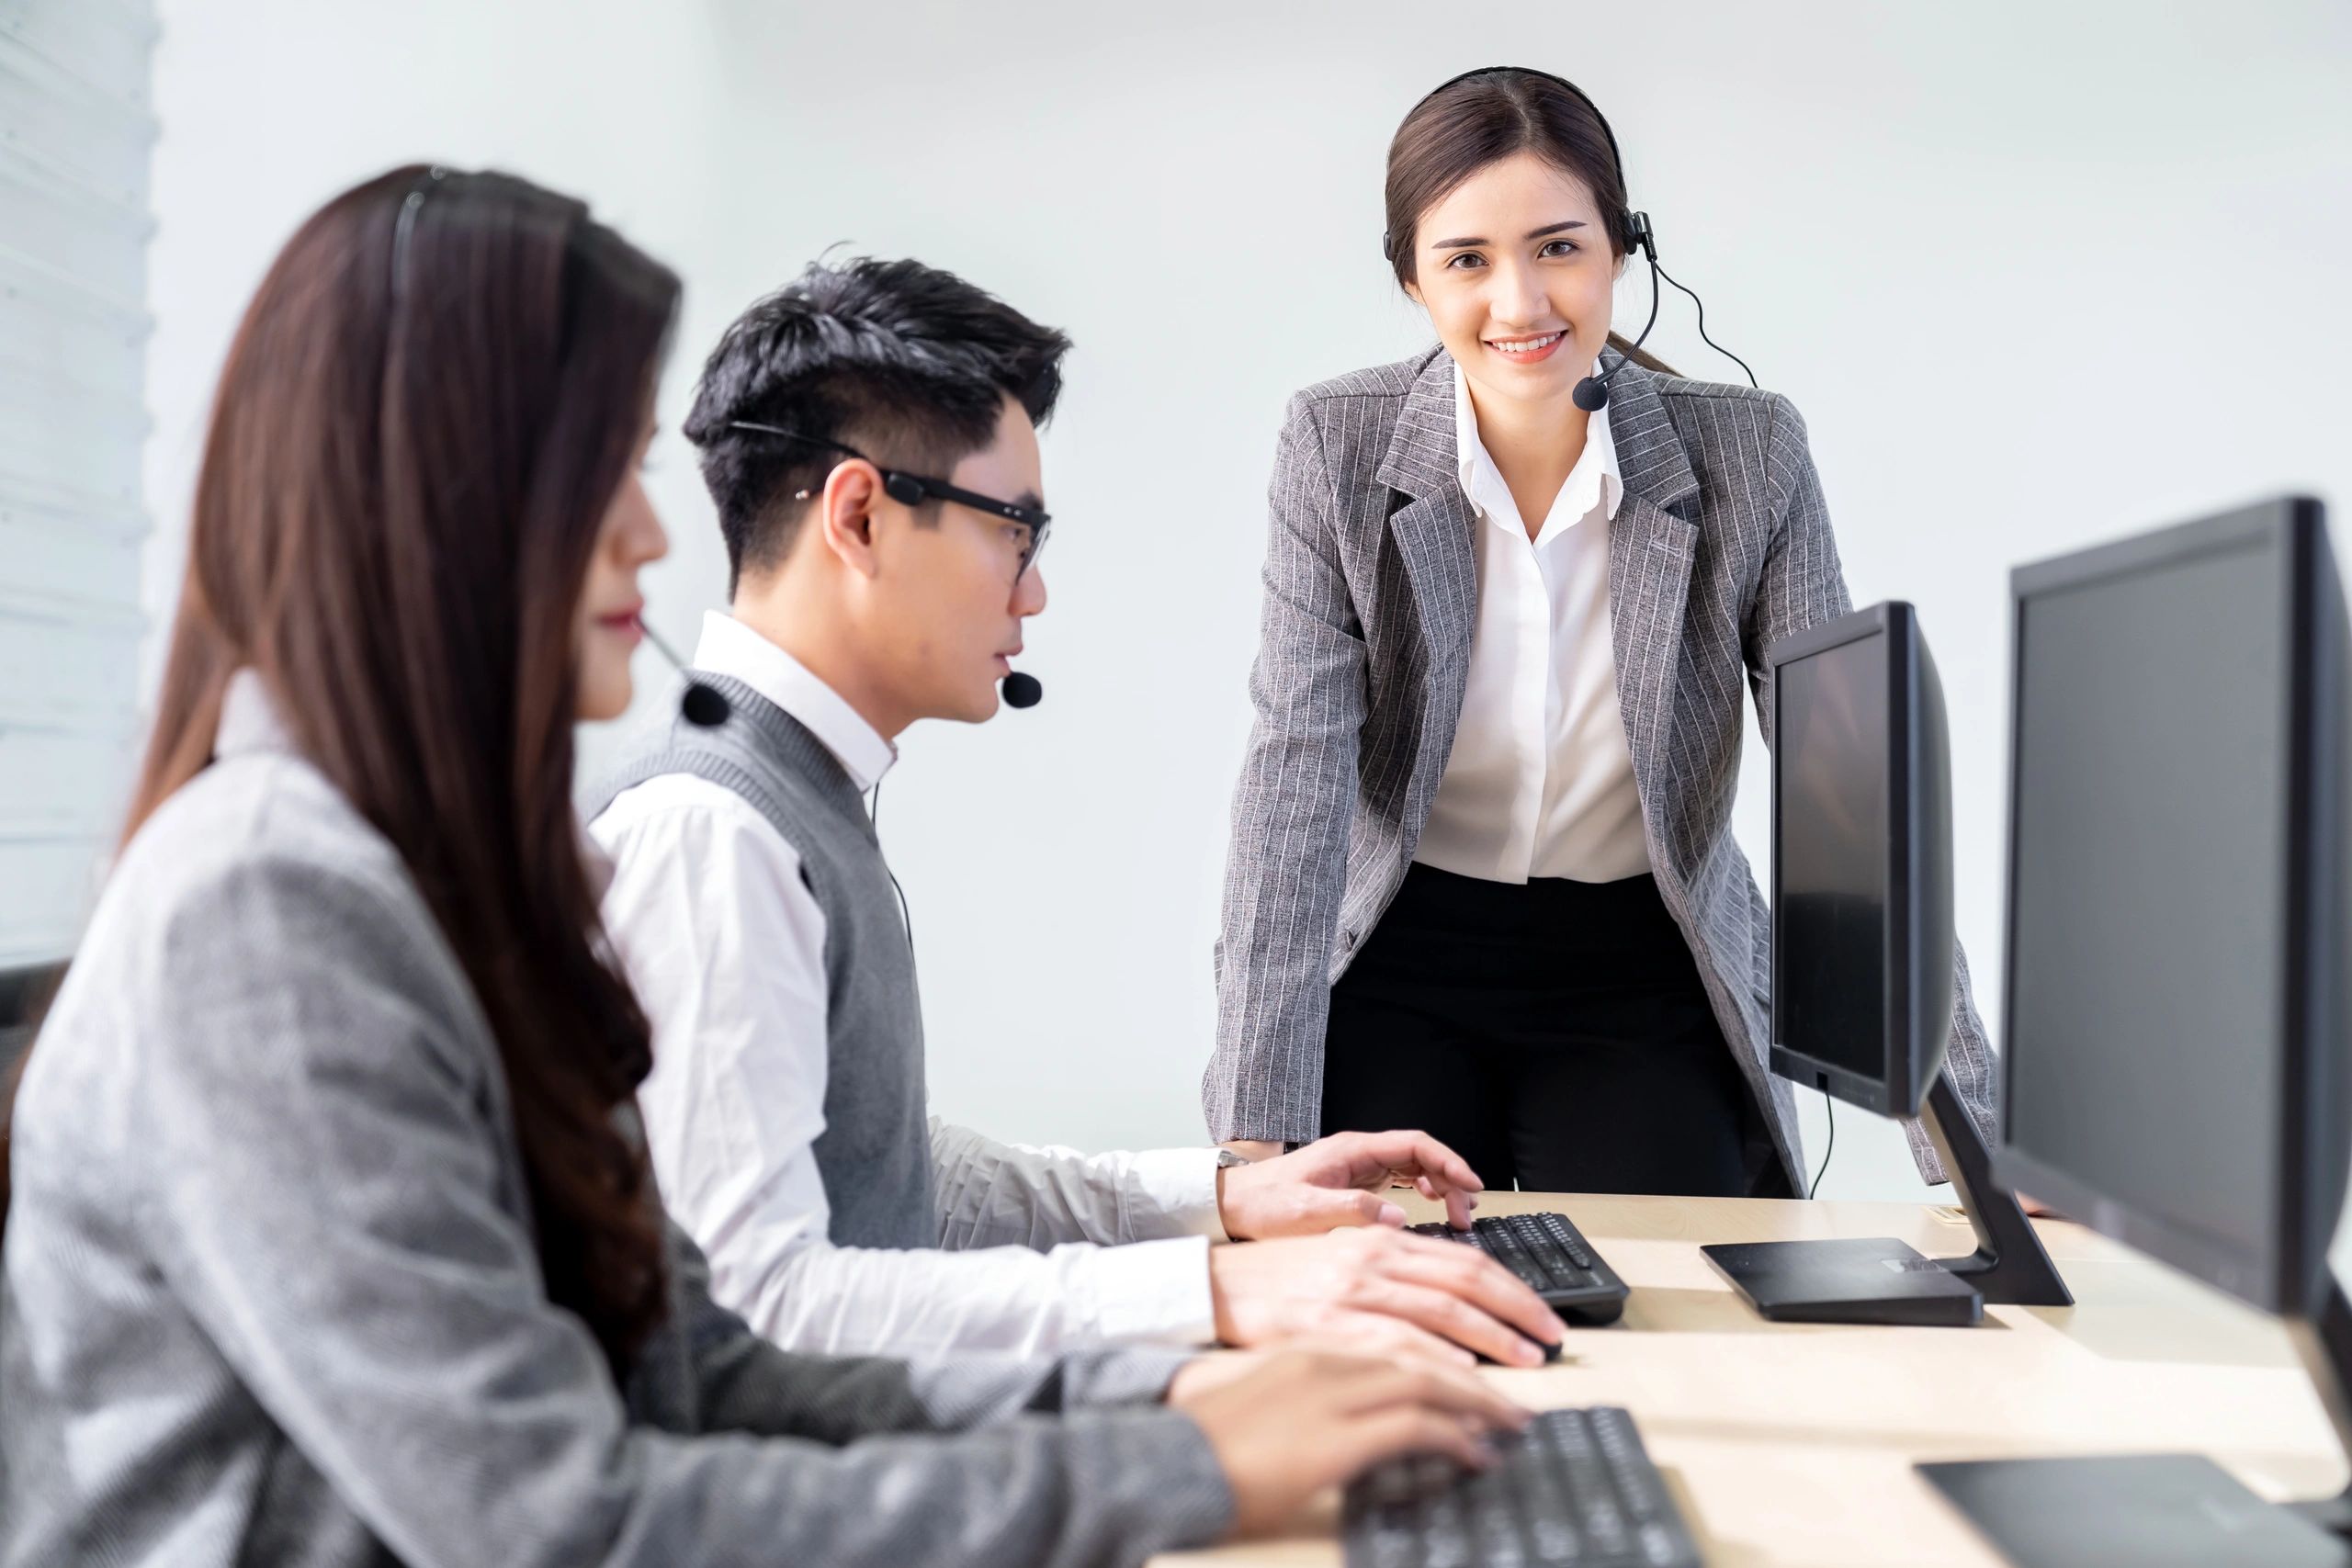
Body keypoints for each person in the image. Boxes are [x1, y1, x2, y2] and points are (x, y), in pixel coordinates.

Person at [0, 166, 1526, 1568]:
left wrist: (1167, 1388)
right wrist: (1182, 1438)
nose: (648, 535)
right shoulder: (271, 904)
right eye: (597, 469)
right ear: (445, 493)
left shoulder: (449, 879)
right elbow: (567, 1517)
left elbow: (714, 1359)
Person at [586, 256, 1566, 1369]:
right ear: (858, 516)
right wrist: (1215, 1295)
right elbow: (760, 1307)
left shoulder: (790, 794)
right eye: (1014, 529)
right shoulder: (713, 836)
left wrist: (1227, 1198)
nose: (1034, 590)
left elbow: (888, 1174)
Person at [1204, 67, 1998, 1196]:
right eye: (1467, 260)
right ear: (1412, 280)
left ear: (1622, 250)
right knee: (1394, 1262)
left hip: (1641, 963)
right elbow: (1296, 773)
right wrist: (1253, 1142)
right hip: (1396, 953)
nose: (1520, 302)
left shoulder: (1751, 454)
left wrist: (1974, 1140)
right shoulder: (1335, 443)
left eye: (1558, 248)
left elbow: (1842, 790)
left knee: (1677, 1274)